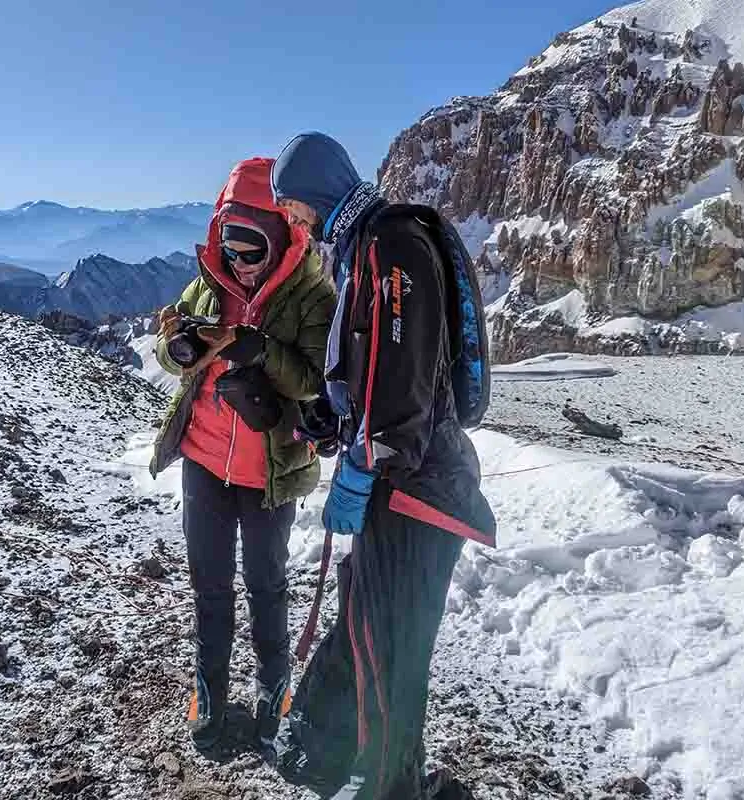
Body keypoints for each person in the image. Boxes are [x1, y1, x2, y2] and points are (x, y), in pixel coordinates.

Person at [269, 132, 497, 799]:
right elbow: (375, 371)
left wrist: (364, 464)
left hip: (411, 489)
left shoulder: (390, 245)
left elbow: (400, 381)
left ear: (315, 194)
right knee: (379, 634)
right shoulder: (366, 245)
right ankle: (355, 760)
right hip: (408, 482)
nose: (293, 223)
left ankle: (393, 786)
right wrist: (329, 417)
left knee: (389, 645)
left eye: (292, 208)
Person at [149, 157, 337, 752]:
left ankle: (272, 688)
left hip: (271, 473)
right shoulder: (208, 283)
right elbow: (169, 349)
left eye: (251, 248)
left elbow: (317, 382)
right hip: (206, 461)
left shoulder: (313, 293)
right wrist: (178, 348)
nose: (239, 261)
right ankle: (209, 689)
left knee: (266, 584)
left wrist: (260, 353)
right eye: (230, 245)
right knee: (209, 583)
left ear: (281, 237)